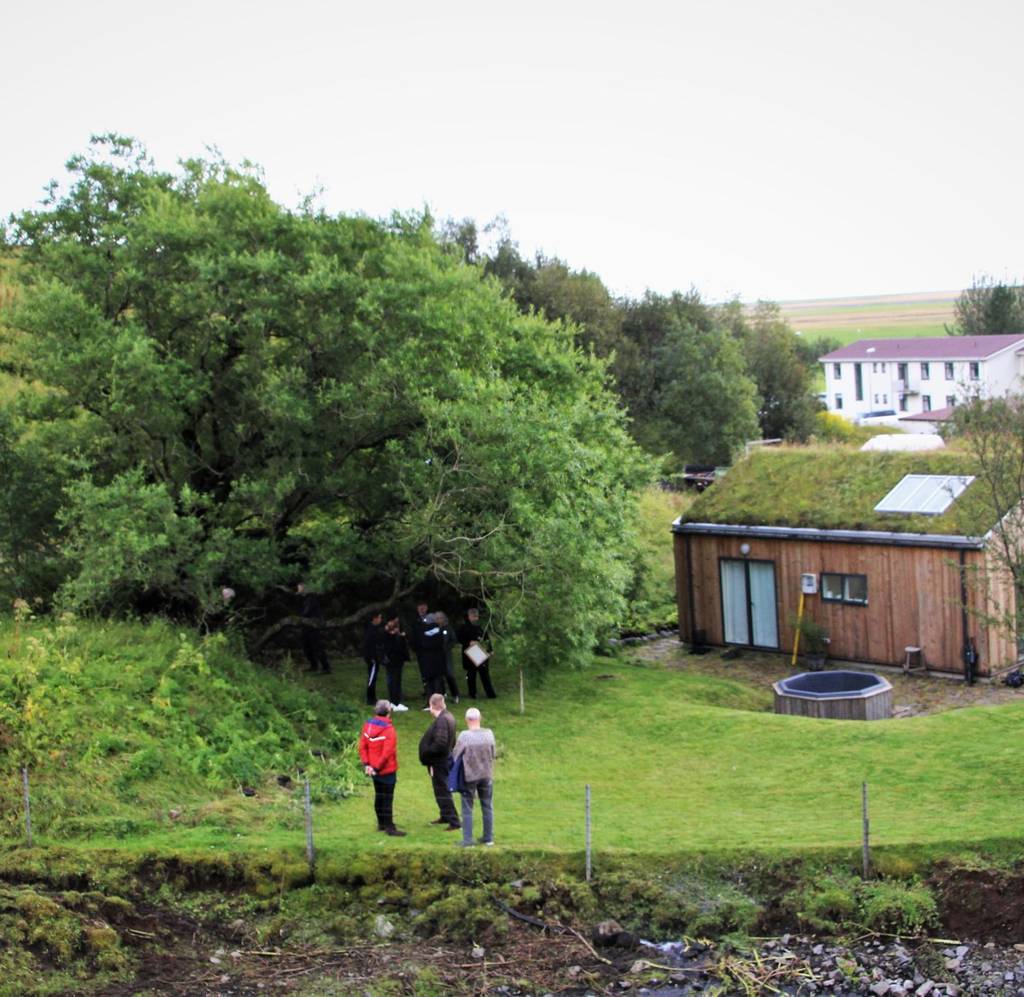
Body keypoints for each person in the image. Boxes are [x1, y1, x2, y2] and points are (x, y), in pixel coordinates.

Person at [358, 700, 406, 836]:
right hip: (386, 769)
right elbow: (387, 752)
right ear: (389, 712)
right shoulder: (389, 730)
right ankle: (390, 827)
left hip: (373, 768)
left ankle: (381, 823)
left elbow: (362, 746)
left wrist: (367, 764)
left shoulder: (368, 726)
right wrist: (376, 767)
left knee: (379, 796)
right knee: (387, 798)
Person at [452, 706, 496, 847]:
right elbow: (493, 753)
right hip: (486, 774)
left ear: (466, 720)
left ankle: (468, 840)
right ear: (480, 718)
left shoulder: (465, 736)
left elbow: (456, 754)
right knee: (487, 805)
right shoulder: (489, 734)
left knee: (467, 807)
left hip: (470, 775)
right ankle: (488, 838)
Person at [418, 693, 460, 830]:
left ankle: (454, 821)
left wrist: (428, 752)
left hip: (440, 762)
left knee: (443, 790)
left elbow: (440, 743)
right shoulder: (449, 716)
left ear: (432, 706)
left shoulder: (442, 720)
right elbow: (451, 741)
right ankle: (445, 815)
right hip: (443, 760)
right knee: (440, 789)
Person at [458, 608, 496, 699]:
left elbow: (486, 638)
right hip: (470, 652)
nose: (475, 618)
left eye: (476, 616)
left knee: (485, 674)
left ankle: (490, 694)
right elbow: (459, 639)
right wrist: (469, 642)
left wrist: (490, 650)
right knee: (471, 674)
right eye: (473, 616)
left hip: (480, 651)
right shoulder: (464, 628)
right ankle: (472, 694)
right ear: (469, 616)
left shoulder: (481, 627)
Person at [297, 582, 331, 674]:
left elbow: (306, 612)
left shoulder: (311, 598)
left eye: (299, 587)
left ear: (304, 588)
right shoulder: (304, 599)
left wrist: (299, 618)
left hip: (313, 625)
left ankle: (326, 667)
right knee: (306, 646)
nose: (298, 589)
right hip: (306, 626)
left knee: (317, 646)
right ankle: (313, 665)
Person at [417, 612, 450, 698]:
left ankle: (429, 701)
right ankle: (438, 699)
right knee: (437, 681)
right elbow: (441, 643)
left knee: (429, 682)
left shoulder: (422, 631)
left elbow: (421, 644)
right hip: (438, 660)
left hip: (427, 660)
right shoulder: (439, 631)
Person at [381, 616, 410, 712]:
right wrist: (397, 636)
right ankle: (395, 702)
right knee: (394, 680)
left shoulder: (394, 634)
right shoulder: (388, 635)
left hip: (396, 660)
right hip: (393, 660)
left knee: (394, 680)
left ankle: (395, 701)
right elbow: (391, 647)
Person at [434, 610, 461, 702]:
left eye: (439, 618)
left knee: (449, 675)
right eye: (436, 618)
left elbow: (453, 640)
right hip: (437, 656)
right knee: (438, 676)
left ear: (443, 618)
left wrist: (447, 648)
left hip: (446, 656)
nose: (437, 620)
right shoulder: (434, 628)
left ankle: (455, 694)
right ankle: (441, 694)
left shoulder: (448, 628)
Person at [361, 611, 386, 705]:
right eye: (379, 617)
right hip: (372, 658)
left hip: (373, 656)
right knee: (372, 677)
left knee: (373, 677)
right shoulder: (371, 630)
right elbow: (367, 644)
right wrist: (371, 657)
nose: (380, 620)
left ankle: (372, 697)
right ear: (375, 618)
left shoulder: (373, 629)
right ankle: (370, 697)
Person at [407, 601, 431, 698]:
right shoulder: (415, 621)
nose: (421, 609)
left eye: (423, 607)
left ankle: (434, 689)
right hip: (420, 650)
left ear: (426, 608)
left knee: (431, 670)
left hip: (430, 650)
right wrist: (414, 647)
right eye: (419, 607)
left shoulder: (431, 620)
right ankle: (427, 689)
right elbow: (413, 635)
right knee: (423, 670)